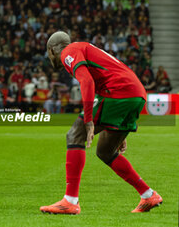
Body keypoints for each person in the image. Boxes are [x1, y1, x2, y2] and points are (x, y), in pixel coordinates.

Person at [40, 31, 162, 215]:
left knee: (75, 134)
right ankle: (148, 194)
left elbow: (86, 81)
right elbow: (100, 80)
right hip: (135, 93)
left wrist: (89, 119)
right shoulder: (84, 48)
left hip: (118, 92)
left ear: (51, 50)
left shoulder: (68, 52)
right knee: (105, 151)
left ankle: (70, 201)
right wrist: (115, 126)